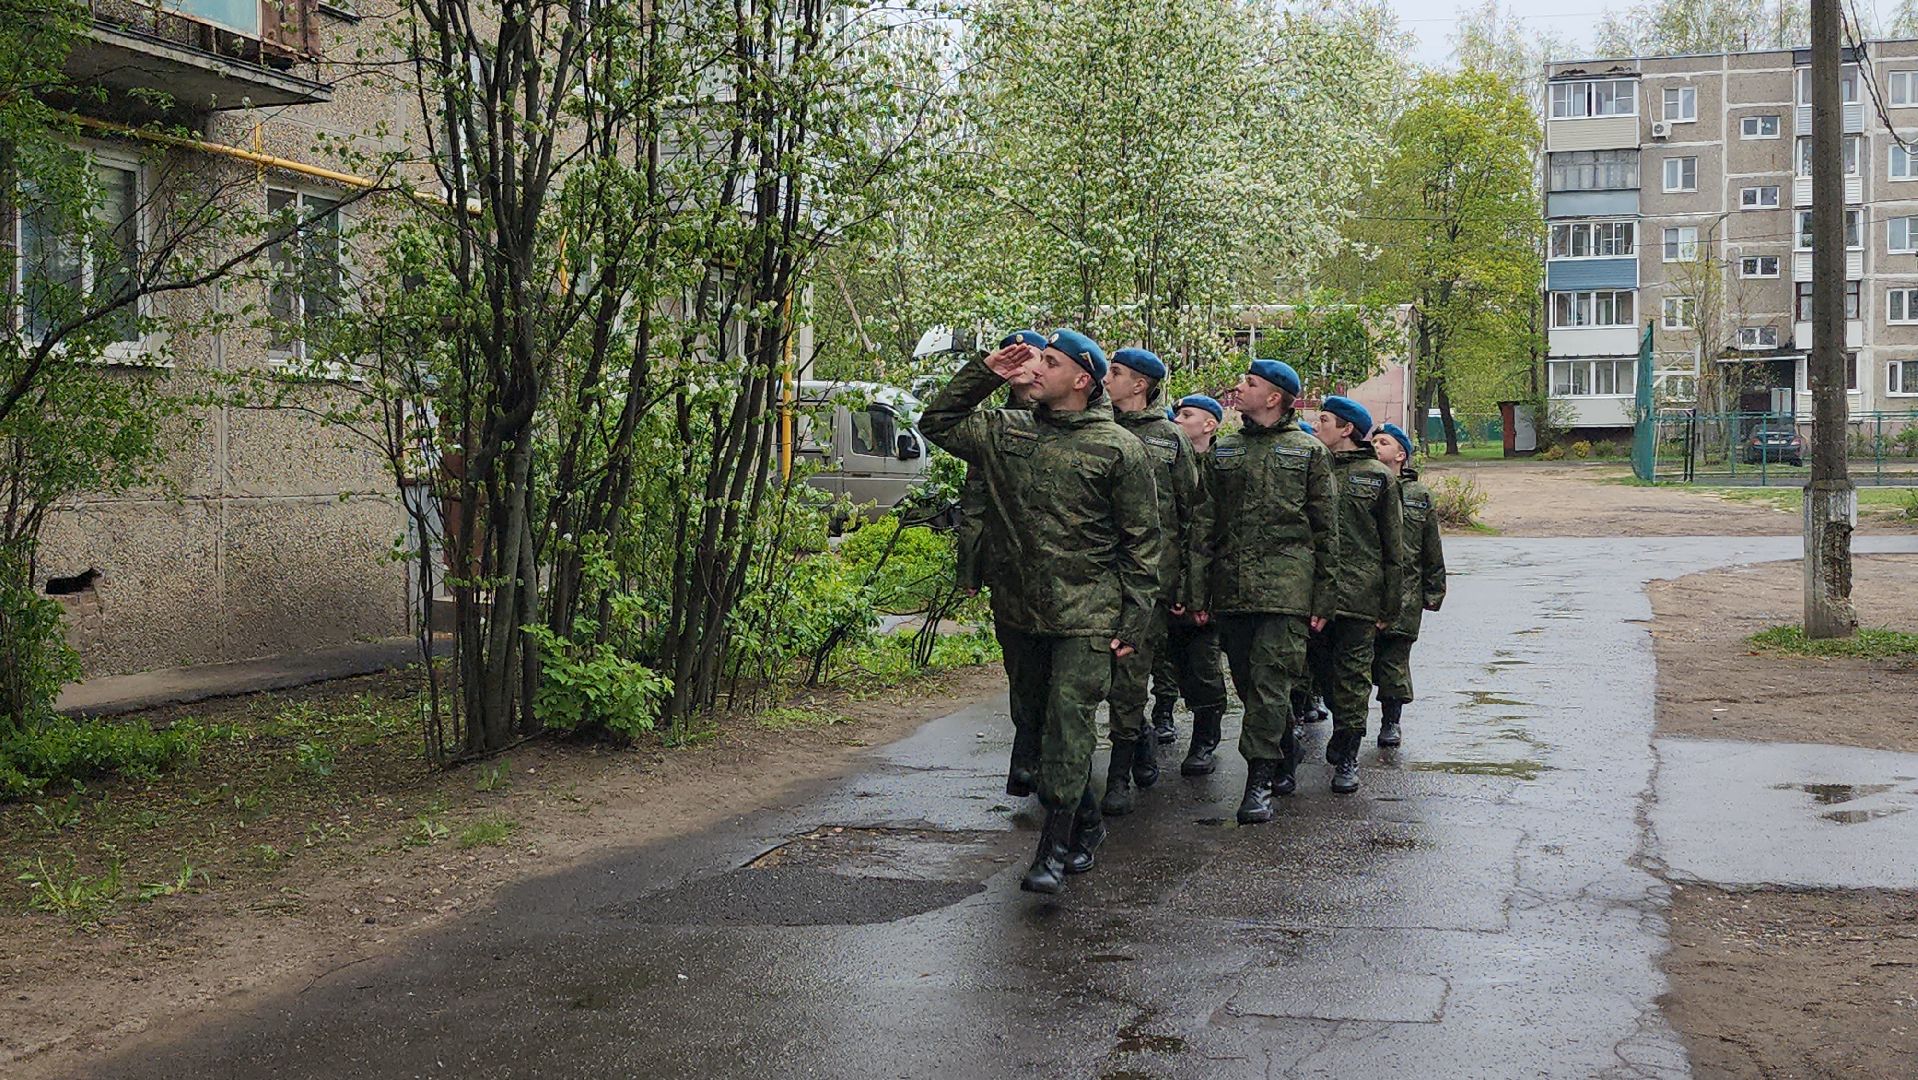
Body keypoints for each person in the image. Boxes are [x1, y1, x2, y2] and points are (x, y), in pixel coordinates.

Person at [920, 330, 1162, 894]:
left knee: (1067, 724)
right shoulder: (1006, 430)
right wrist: (987, 373)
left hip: (1088, 613)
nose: (1035, 368)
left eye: (1048, 362)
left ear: (1082, 379)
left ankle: (1051, 849)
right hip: (1021, 609)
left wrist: (1133, 620)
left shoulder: (1120, 447)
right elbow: (937, 423)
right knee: (1031, 719)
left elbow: (1143, 543)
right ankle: (1089, 822)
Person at [1203, 360, 1337, 824]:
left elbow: (1326, 531)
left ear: (1275, 396)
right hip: (1232, 588)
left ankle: (1257, 782)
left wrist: (1324, 598)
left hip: (1286, 590)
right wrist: (1198, 589)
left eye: (1250, 383)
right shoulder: (1224, 450)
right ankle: (1284, 746)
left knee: (1269, 682)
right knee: (1247, 683)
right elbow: (1205, 526)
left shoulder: (1308, 452)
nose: (1240, 388)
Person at [1100, 350, 1206, 815]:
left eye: (1117, 373)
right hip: (1093, 577)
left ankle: (1120, 773)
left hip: (1147, 584)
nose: (1107, 379)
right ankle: (1138, 739)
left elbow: (1192, 517)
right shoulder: (1096, 428)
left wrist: (1185, 586)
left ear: (1140, 384)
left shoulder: (1169, 439)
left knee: (1129, 680)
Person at [954, 331, 1045, 799]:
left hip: (1061, 573)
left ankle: (1052, 765)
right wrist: (969, 568)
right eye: (1019, 363)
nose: (1029, 371)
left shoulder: (1072, 418)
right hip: (1009, 568)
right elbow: (975, 502)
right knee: (1020, 669)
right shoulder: (994, 425)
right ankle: (1026, 752)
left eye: (1034, 361)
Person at [1309, 396, 1404, 794]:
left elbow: (1393, 548)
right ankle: (1338, 724)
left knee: (1352, 678)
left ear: (1346, 428)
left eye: (1325, 420)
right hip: (1312, 596)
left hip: (1359, 595)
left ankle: (1348, 754)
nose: (1317, 426)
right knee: (1320, 674)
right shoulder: (1310, 466)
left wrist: (1390, 604)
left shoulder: (1378, 477)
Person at [1148, 395, 1230, 768]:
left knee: (1201, 664)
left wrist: (1194, 589)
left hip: (1205, 583)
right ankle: (1160, 717)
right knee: (1164, 660)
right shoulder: (1165, 460)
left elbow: (1208, 534)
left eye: (1187, 415)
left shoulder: (1223, 465)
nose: (1177, 421)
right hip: (1161, 578)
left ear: (1210, 424)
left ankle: (1204, 740)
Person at [1369, 422, 1446, 747]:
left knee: (1393, 660)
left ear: (1401, 454)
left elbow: (1431, 547)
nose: (1375, 446)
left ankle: (1391, 720)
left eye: (1383, 442)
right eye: (1373, 441)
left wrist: (1434, 590)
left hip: (1406, 592)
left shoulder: (1418, 496)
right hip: (1366, 590)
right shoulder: (1365, 484)